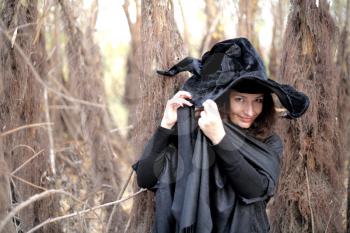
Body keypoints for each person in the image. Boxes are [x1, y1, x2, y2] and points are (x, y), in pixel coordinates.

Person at [132, 38, 309, 233]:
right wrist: (165, 125)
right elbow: (146, 178)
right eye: (240, 99)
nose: (250, 111)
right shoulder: (192, 136)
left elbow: (255, 190)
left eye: (258, 100)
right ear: (223, 99)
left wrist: (220, 139)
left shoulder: (268, 141)